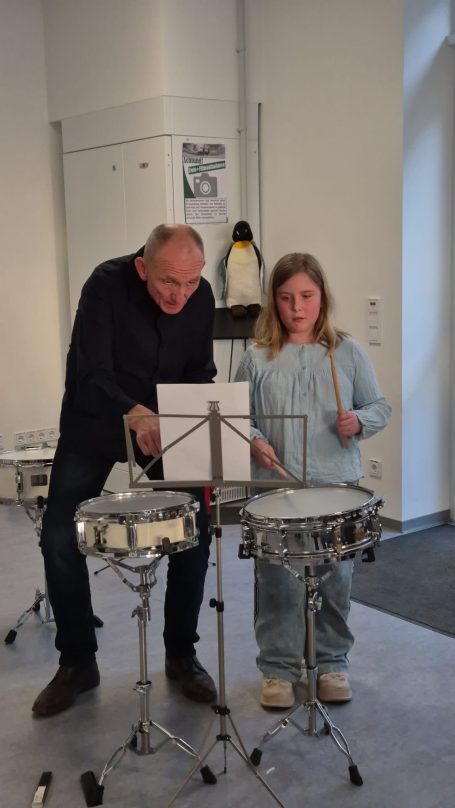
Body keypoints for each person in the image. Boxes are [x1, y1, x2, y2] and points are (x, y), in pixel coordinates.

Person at [32, 224, 218, 717]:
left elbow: (200, 371)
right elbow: (91, 372)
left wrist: (195, 431)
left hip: (164, 426)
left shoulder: (201, 297)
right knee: (59, 536)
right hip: (97, 419)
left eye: (191, 282)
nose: (180, 295)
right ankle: (77, 662)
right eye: (168, 281)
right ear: (142, 267)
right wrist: (134, 413)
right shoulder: (104, 285)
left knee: (195, 531)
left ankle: (181, 654)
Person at [234, 252, 391, 709]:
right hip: (275, 490)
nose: (297, 307)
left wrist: (358, 421)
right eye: (286, 298)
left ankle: (332, 663)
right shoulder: (255, 358)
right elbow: (236, 418)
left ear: (323, 297)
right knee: (277, 582)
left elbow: (380, 406)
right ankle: (278, 669)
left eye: (306, 296)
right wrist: (254, 439)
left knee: (334, 581)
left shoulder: (347, 351)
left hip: (335, 486)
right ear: (273, 301)